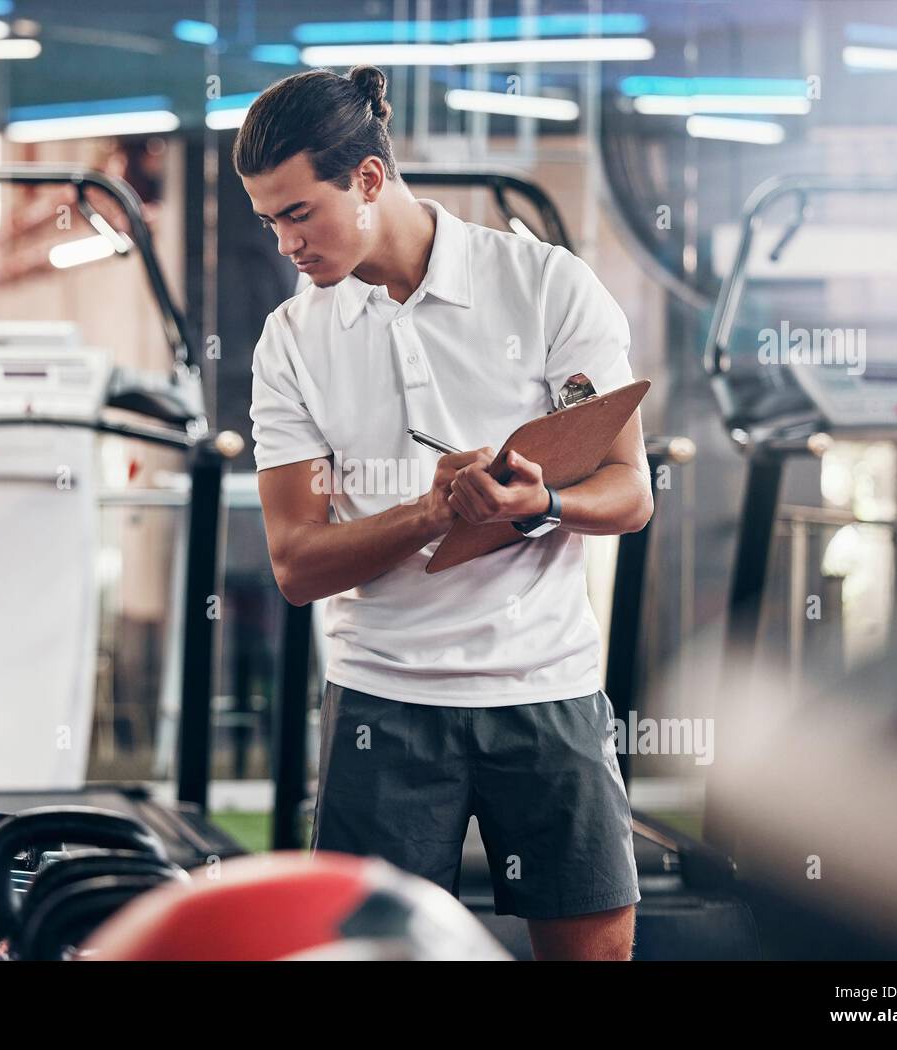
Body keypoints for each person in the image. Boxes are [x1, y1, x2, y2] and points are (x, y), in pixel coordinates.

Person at [234, 65, 652, 962]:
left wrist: (544, 505)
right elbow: (298, 563)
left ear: (371, 179)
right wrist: (430, 513)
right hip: (383, 700)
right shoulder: (293, 340)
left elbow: (630, 492)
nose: (285, 244)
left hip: (545, 690)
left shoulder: (546, 285)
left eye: (299, 213)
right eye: (269, 221)